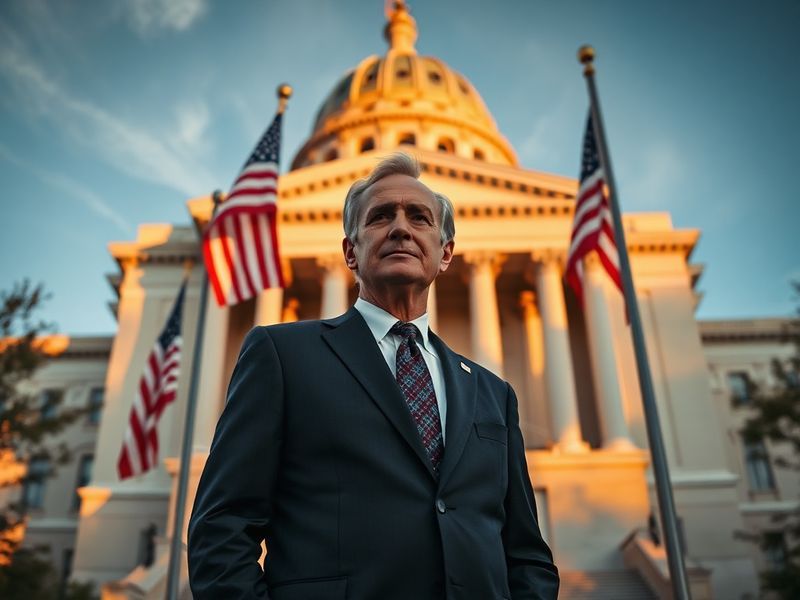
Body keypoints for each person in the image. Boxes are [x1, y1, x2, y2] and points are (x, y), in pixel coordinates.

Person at [188, 152, 559, 599]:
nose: (400, 227)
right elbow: (221, 526)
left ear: (445, 254)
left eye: (419, 217)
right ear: (350, 251)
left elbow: (526, 554)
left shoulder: (492, 393)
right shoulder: (283, 356)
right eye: (381, 216)